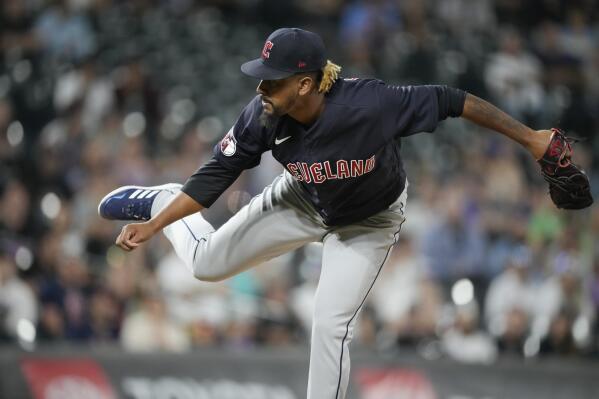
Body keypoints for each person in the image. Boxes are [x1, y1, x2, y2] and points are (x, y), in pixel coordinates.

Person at [98, 28, 554, 399]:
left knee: (330, 323)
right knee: (205, 265)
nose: (261, 87)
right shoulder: (263, 114)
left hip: (368, 223)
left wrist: (531, 138)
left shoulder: (370, 104)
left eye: (272, 79)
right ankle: (162, 200)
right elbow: (215, 176)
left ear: (305, 83)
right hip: (302, 199)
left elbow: (453, 100)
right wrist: (157, 224)